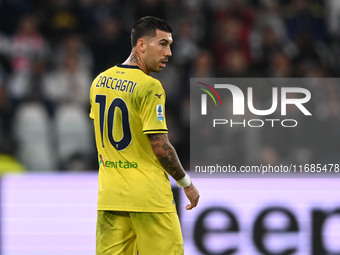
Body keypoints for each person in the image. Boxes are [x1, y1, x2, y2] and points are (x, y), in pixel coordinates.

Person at [89, 16, 200, 255]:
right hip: (149, 198)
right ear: (141, 45)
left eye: (170, 45)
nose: (169, 52)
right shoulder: (150, 86)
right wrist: (185, 183)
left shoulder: (99, 81)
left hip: (110, 196)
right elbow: (161, 147)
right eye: (162, 44)